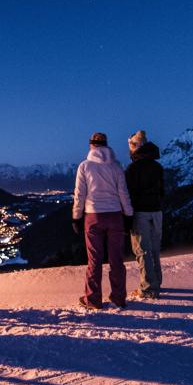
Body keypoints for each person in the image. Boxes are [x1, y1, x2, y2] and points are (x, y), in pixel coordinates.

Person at [72, 132, 133, 310]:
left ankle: (93, 300)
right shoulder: (116, 166)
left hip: (93, 216)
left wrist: (76, 217)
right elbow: (123, 193)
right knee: (116, 259)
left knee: (94, 260)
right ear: (106, 145)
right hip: (115, 216)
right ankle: (119, 298)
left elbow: (79, 195)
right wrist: (128, 215)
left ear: (91, 145)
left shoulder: (84, 166)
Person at [125, 130, 165, 299]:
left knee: (142, 250)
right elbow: (162, 190)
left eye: (131, 146)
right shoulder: (157, 166)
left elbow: (128, 193)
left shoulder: (133, 168)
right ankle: (156, 282)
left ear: (136, 147)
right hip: (157, 211)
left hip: (141, 212)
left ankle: (148, 288)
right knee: (154, 249)